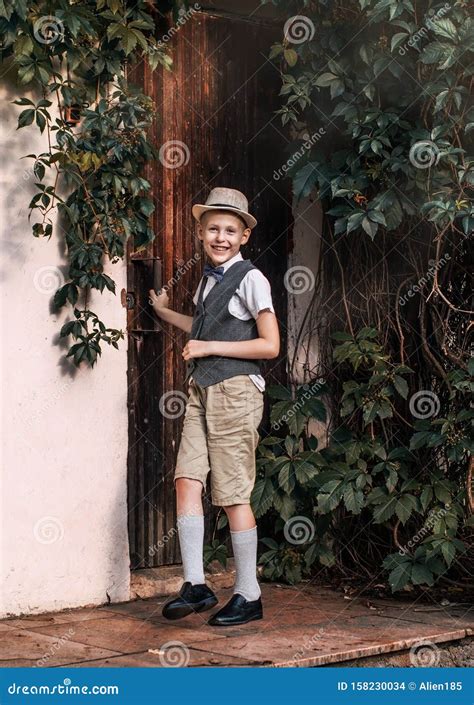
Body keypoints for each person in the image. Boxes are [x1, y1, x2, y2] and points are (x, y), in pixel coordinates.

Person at [149, 187, 279, 626]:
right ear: (201, 233)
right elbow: (199, 328)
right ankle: (197, 586)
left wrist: (207, 346)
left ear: (244, 236)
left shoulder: (251, 278)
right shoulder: (208, 279)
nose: (220, 236)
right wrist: (166, 313)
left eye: (230, 229)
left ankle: (249, 593)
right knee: (187, 480)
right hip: (202, 390)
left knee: (232, 494)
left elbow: (270, 345)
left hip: (237, 391)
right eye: (212, 229)